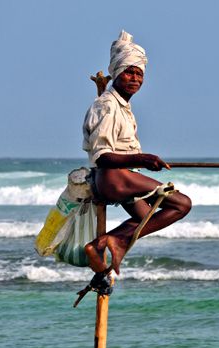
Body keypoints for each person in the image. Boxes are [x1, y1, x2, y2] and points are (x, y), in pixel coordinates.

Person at [82, 31, 191, 275]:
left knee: (146, 219)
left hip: (122, 179)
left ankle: (101, 250)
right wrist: (142, 159)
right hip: (114, 179)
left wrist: (140, 161)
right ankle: (111, 241)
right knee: (182, 204)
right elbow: (102, 156)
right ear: (117, 74)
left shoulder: (122, 106)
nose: (134, 78)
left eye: (139, 74)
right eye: (129, 72)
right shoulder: (107, 105)